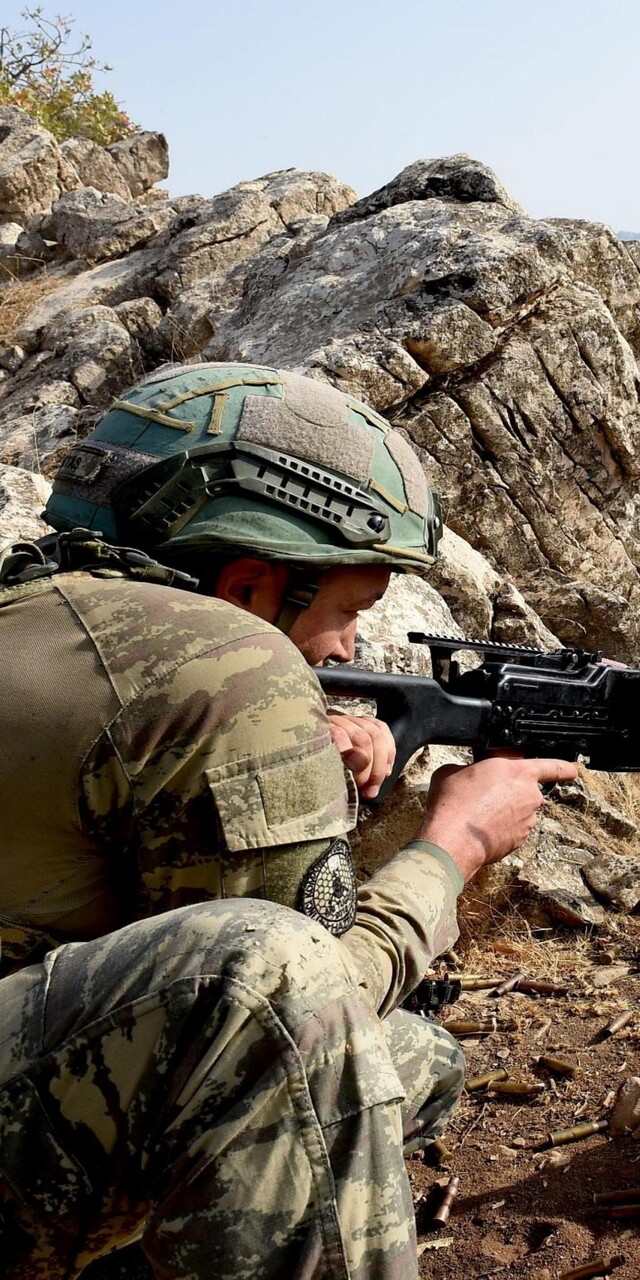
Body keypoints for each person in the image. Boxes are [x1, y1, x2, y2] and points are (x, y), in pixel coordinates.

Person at [0, 362, 576, 1280]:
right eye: (349, 609)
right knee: (288, 992)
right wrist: (453, 845)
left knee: (408, 1056)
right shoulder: (222, 659)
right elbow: (299, 1000)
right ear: (247, 588)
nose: (347, 647)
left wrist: (294, 753)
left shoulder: (42, 618)